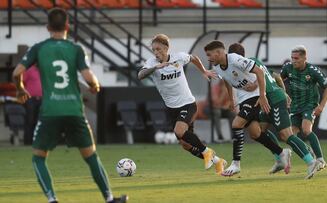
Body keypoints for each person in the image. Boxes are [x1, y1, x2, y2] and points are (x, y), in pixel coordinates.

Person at [12, 8, 127, 203]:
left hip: (50, 112)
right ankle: (109, 198)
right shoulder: (76, 49)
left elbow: (17, 73)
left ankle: (52, 199)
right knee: (91, 156)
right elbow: (89, 78)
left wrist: (20, 89)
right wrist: (95, 86)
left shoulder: (38, 48)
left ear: (48, 27)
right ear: (68, 26)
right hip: (74, 111)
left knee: (38, 158)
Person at [228, 43, 321, 179]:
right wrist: (283, 91)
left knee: (285, 135)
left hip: (274, 99)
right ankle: (279, 158)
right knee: (259, 131)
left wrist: (276, 91)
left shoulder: (248, 63)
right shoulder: (251, 62)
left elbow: (263, 77)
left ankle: (311, 161)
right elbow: (276, 76)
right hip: (266, 101)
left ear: (234, 56)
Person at [138, 34, 227, 175]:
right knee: (185, 145)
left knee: (179, 131)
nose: (156, 52)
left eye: (158, 49)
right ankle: (218, 161)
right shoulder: (151, 63)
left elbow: (193, 58)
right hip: (171, 108)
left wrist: (204, 71)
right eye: (154, 49)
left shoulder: (178, 57)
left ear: (166, 48)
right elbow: (140, 75)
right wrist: (155, 67)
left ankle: (207, 152)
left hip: (188, 104)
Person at [204, 40, 293, 177]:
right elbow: (227, 80)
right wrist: (232, 98)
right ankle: (282, 152)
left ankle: (236, 164)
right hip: (243, 98)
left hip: (254, 95)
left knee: (236, 124)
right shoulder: (217, 67)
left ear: (219, 52)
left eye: (209, 55)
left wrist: (262, 95)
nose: (208, 58)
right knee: (255, 133)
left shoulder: (235, 59)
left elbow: (259, 72)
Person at [281, 45, 327, 172]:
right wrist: (283, 93)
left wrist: (321, 105)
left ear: (304, 58)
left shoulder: (313, 70)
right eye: (292, 58)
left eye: (296, 58)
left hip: (309, 105)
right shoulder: (288, 68)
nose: (293, 61)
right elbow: (278, 80)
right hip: (294, 106)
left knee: (306, 129)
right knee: (290, 135)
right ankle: (307, 151)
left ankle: (320, 159)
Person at [23, 64, 42, 145]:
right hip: (31, 99)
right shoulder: (29, 70)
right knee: (30, 120)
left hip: (41, 98)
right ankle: (28, 141)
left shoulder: (43, 70)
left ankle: (37, 141)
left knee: (39, 120)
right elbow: (22, 82)